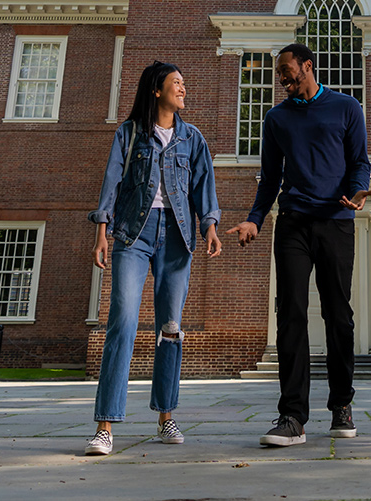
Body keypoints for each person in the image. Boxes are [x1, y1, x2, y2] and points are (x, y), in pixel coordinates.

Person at [229, 42, 371, 448]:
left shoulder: (347, 108)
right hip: (292, 223)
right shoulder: (276, 118)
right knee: (290, 313)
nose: (282, 78)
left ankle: (341, 404)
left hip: (337, 222)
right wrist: (255, 219)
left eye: (287, 70)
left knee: (338, 315)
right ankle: (292, 416)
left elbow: (360, 161)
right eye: (279, 73)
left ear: (308, 66)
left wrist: (359, 190)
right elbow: (269, 177)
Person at [83, 62, 222, 456]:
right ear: (156, 90)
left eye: (184, 83)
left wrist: (210, 226)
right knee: (122, 323)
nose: (183, 88)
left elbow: (203, 187)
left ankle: (166, 416)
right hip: (132, 234)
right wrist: (101, 234)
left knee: (170, 329)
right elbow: (112, 183)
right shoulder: (129, 135)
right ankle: (105, 426)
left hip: (176, 239)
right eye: (176, 83)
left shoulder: (192, 139)